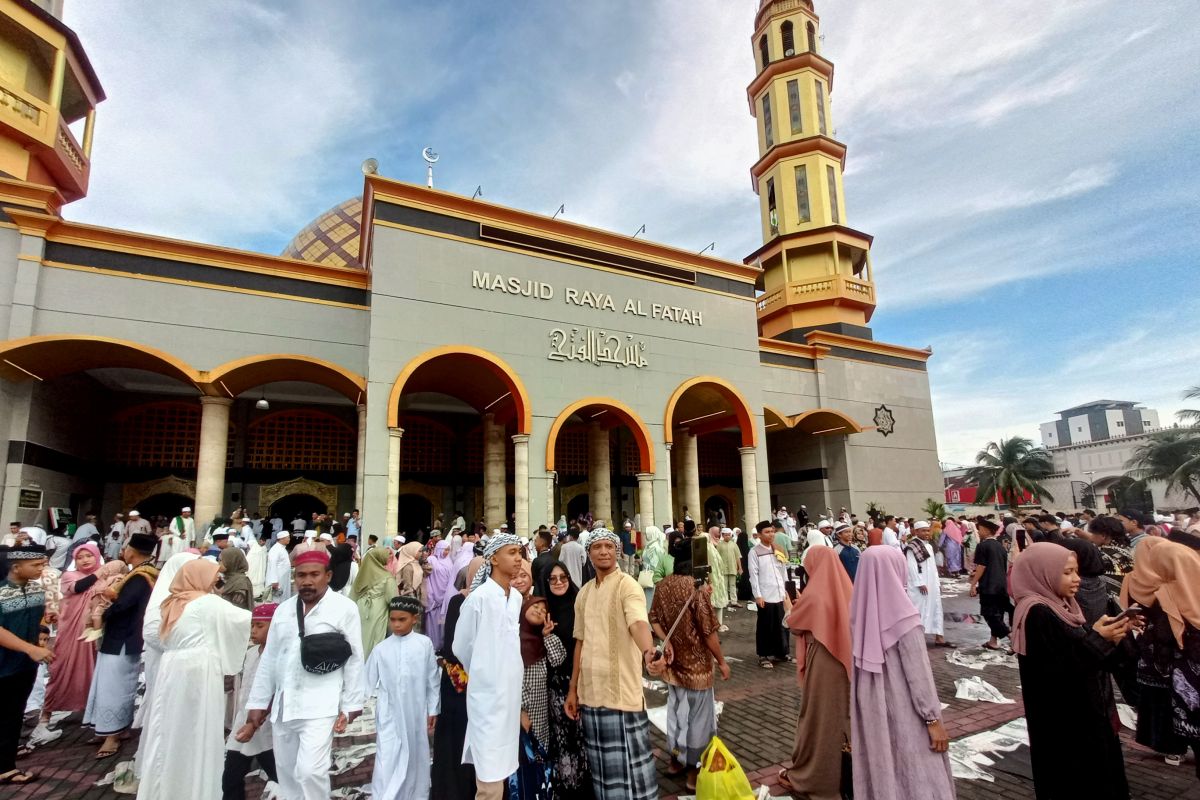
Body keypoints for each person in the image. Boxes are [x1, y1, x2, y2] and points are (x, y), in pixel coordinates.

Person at [1011, 542, 1134, 799]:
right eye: (1067, 572)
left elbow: (1078, 654)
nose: (1076, 579)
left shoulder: (1062, 606)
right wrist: (1099, 638)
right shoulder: (1038, 612)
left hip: (1084, 715)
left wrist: (1110, 635)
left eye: (1076, 571)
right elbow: (1062, 671)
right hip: (1066, 725)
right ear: (1042, 572)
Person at [243, 549, 365, 800]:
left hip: (320, 705)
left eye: (314, 575)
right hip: (284, 707)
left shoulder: (344, 608)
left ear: (328, 575)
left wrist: (352, 704)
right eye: (301, 575)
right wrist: (257, 704)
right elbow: (270, 658)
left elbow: (354, 659)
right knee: (287, 774)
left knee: (310, 772)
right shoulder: (284, 610)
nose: (307, 581)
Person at [136, 559, 251, 800]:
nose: (215, 583)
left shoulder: (171, 603)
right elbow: (245, 621)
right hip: (199, 669)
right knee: (198, 728)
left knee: (170, 727)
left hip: (172, 669)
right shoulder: (207, 603)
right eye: (212, 578)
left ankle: (164, 788)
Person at [848, 547, 953, 800]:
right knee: (916, 769)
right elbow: (919, 678)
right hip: (905, 707)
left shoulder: (859, 613)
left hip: (872, 705)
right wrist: (932, 720)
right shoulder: (905, 617)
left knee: (883, 762)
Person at [565, 528, 662, 800]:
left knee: (633, 773)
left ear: (617, 551)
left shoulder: (627, 585)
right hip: (591, 695)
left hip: (621, 694)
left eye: (609, 546)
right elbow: (579, 643)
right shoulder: (583, 593)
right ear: (589, 553)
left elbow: (638, 622)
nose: (604, 551)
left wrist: (648, 651)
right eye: (598, 547)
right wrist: (573, 689)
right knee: (604, 775)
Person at [453, 533, 525, 800]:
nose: (518, 558)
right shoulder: (479, 598)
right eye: (511, 552)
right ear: (493, 558)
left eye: (520, 552)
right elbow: (461, 646)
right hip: (486, 698)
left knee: (503, 769)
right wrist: (487, 672)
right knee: (489, 781)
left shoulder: (515, 598)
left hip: (509, 696)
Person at [649, 555, 730, 791]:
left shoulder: (663, 585)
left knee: (676, 714)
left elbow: (653, 618)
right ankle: (693, 774)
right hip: (697, 668)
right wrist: (722, 661)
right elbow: (708, 631)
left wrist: (667, 642)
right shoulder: (696, 589)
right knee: (699, 721)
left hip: (673, 665)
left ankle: (675, 761)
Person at [778, 546, 853, 798]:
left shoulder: (815, 594)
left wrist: (790, 607)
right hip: (845, 662)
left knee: (820, 720)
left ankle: (816, 779)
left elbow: (795, 624)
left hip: (823, 662)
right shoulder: (847, 588)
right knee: (841, 719)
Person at [1122, 538, 1200, 771]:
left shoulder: (1147, 586)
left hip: (1168, 663)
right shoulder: (1189, 583)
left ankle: (1172, 747)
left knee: (1166, 707)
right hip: (1176, 666)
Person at [84, 532, 158, 759]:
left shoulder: (140, 577)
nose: (123, 551)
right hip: (119, 636)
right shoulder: (139, 574)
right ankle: (105, 728)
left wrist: (103, 613)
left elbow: (125, 605)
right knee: (105, 682)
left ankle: (113, 735)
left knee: (116, 685)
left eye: (125, 548)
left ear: (132, 552)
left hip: (125, 637)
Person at [364, 594, 440, 800]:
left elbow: (432, 680)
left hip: (416, 712)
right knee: (386, 757)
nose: (396, 625)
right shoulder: (381, 649)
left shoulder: (424, 644)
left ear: (414, 619)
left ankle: (415, 795)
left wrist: (433, 709)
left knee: (416, 756)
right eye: (393, 619)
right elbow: (367, 681)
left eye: (402, 619)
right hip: (390, 714)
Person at [0, 542, 52, 786]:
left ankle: (6, 764)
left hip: (24, 666)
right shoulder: (1, 592)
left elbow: (38, 619)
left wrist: (44, 625)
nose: (41, 568)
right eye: (35, 565)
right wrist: (30, 648)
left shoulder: (35, 590)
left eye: (42, 564)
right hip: (4, 664)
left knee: (13, 715)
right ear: (16, 567)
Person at [431, 558, 482, 800]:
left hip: (484, 688)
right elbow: (452, 648)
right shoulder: (458, 601)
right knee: (457, 744)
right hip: (459, 686)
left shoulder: (500, 601)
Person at [541, 561, 593, 800]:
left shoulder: (581, 604)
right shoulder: (541, 612)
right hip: (555, 685)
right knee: (563, 738)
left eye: (563, 577)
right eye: (553, 578)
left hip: (583, 681)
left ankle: (587, 785)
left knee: (584, 736)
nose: (559, 582)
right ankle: (568, 786)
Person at [39, 542, 102, 729]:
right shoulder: (69, 576)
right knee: (62, 669)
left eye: (89, 556)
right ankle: (47, 713)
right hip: (71, 634)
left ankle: (93, 711)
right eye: (80, 557)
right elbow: (78, 587)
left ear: (96, 556)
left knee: (95, 669)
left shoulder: (108, 577)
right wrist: (100, 573)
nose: (85, 560)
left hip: (95, 633)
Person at [223, 603, 279, 800]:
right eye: (252, 626)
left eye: (260, 626)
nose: (253, 631)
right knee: (230, 778)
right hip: (244, 724)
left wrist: (254, 724)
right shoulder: (251, 653)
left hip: (267, 728)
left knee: (281, 776)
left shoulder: (281, 656)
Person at [748, 520, 792, 669]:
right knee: (766, 625)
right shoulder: (754, 552)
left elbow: (783, 571)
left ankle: (782, 652)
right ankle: (764, 655)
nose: (771, 534)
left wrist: (787, 590)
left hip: (780, 593)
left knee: (783, 624)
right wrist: (758, 595)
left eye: (772, 531)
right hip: (765, 595)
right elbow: (753, 575)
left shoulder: (778, 549)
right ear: (759, 535)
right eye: (767, 532)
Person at [968, 519, 1011, 651]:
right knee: (998, 614)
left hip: (989, 586)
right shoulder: (1000, 546)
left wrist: (973, 583)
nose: (978, 532)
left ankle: (1012, 637)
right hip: (1001, 586)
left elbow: (982, 566)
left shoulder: (983, 546)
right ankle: (993, 641)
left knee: (989, 614)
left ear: (986, 530)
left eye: (980, 529)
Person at [905, 521, 949, 646]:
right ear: (916, 531)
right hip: (919, 584)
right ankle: (916, 638)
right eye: (923, 531)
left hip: (932, 583)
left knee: (936, 608)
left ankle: (939, 637)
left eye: (927, 530)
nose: (926, 533)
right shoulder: (912, 547)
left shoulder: (929, 546)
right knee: (919, 610)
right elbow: (911, 566)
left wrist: (937, 584)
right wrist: (919, 583)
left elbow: (933, 567)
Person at [351, 546, 398, 658]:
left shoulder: (363, 574)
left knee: (361, 636)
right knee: (375, 638)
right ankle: (371, 664)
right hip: (377, 609)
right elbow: (391, 599)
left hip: (361, 608)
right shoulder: (387, 577)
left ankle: (360, 661)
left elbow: (354, 593)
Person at [424, 539, 456, 650]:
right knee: (432, 622)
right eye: (445, 550)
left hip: (445, 597)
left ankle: (441, 645)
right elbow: (427, 577)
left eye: (448, 550)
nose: (447, 552)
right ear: (439, 549)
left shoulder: (449, 561)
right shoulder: (431, 560)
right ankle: (432, 645)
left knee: (441, 622)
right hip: (433, 597)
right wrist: (430, 593)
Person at [219, 546, 255, 611]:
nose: (219, 563)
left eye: (221, 560)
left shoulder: (239, 583)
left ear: (231, 562)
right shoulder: (230, 578)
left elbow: (236, 609)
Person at [716, 527, 742, 611]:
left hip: (732, 567)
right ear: (723, 535)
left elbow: (738, 557)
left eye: (729, 535)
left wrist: (740, 568)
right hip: (723, 569)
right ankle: (725, 602)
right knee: (724, 586)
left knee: (733, 585)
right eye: (726, 535)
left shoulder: (734, 544)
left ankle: (734, 601)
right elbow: (717, 557)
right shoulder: (719, 545)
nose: (727, 537)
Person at [265, 530, 292, 601]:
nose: (289, 539)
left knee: (283, 597)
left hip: (283, 578)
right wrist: (274, 580)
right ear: (282, 539)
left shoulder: (282, 549)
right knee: (277, 598)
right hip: (278, 579)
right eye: (288, 537)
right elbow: (273, 565)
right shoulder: (275, 549)